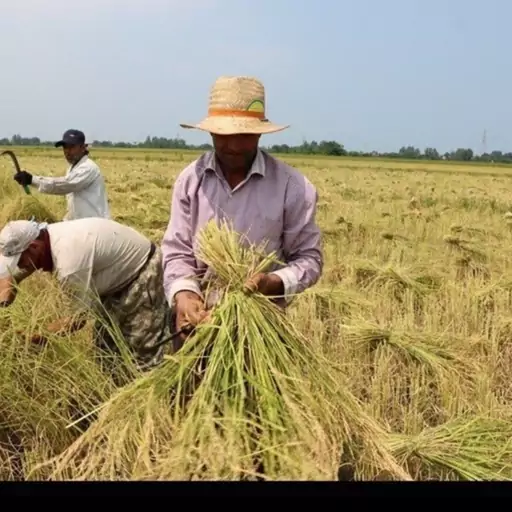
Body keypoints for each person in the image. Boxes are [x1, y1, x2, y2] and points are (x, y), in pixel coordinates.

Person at [161, 75, 323, 349]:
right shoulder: (190, 181)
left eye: (245, 136)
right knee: (191, 391)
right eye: (224, 136)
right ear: (210, 132)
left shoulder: (292, 187)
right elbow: (177, 251)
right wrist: (185, 294)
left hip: (260, 328)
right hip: (197, 324)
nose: (234, 146)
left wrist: (273, 282)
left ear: (261, 132)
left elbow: (309, 259)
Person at [0, 217, 174, 371]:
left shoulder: (68, 264)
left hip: (143, 272)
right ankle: (115, 390)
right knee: (106, 348)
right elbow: (15, 274)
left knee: (143, 349)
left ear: (33, 247)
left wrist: (39, 335)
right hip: (115, 275)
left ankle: (150, 399)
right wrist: (5, 303)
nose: (20, 266)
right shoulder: (45, 234)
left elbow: (77, 319)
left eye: (20, 260)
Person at [13, 129, 110, 221]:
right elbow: (73, 205)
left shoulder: (88, 167)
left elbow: (66, 185)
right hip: (79, 225)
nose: (67, 151)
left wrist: (32, 180)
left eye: (71, 147)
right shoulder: (72, 169)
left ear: (83, 147)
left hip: (94, 226)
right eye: (65, 147)